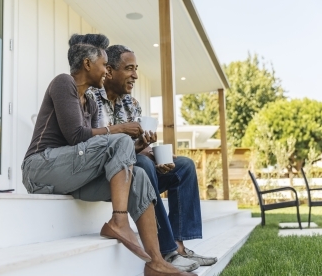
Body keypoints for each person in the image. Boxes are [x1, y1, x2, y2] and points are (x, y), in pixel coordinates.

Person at [22, 34, 194, 276]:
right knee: (120, 139)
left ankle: (156, 262)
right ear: (87, 64)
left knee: (140, 178)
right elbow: (76, 136)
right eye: (104, 65)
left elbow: (100, 147)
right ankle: (119, 221)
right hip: (39, 169)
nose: (106, 71)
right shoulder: (63, 83)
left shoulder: (90, 105)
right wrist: (121, 129)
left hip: (71, 176)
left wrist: (135, 147)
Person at [86, 45, 218, 272]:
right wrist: (142, 153)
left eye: (136, 69)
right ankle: (166, 250)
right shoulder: (91, 99)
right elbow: (93, 146)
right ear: (109, 70)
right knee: (144, 164)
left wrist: (154, 153)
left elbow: (137, 148)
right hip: (110, 175)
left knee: (184, 166)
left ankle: (179, 246)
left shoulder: (132, 104)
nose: (135, 75)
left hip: (137, 167)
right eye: (129, 69)